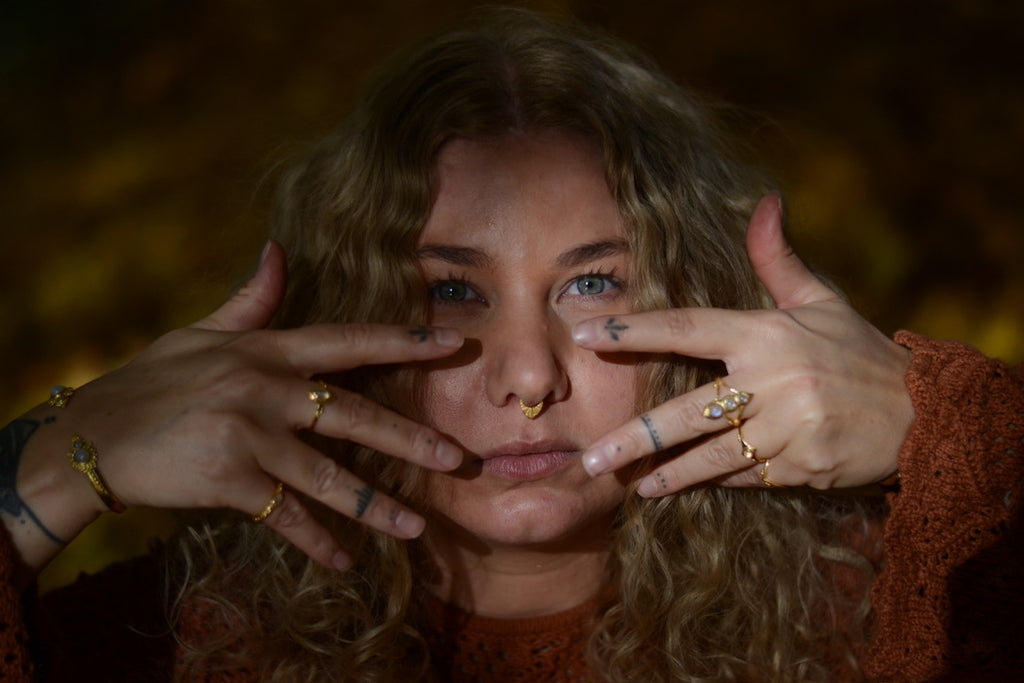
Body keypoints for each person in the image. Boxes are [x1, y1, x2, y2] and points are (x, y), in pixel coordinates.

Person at [2, 8, 1021, 682]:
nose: (528, 375)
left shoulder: (903, 608)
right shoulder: (172, 643)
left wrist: (945, 420)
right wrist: (62, 462)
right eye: (449, 292)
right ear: (338, 319)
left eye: (591, 284)